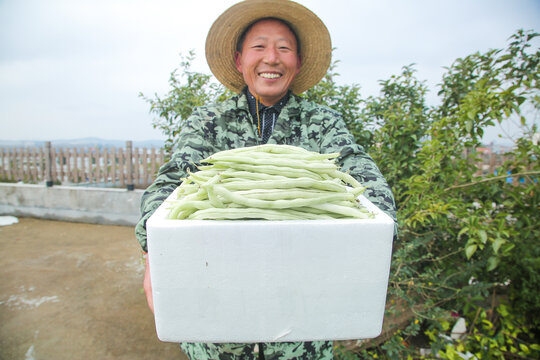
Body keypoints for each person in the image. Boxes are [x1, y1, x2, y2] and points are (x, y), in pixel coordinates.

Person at [135, 0, 397, 358]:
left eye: (284, 48)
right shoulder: (209, 122)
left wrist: (379, 232)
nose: (271, 58)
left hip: (303, 326)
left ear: (298, 62)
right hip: (217, 328)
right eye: (259, 46)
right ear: (240, 59)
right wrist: (155, 252)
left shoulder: (322, 123)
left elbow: (359, 171)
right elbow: (171, 184)